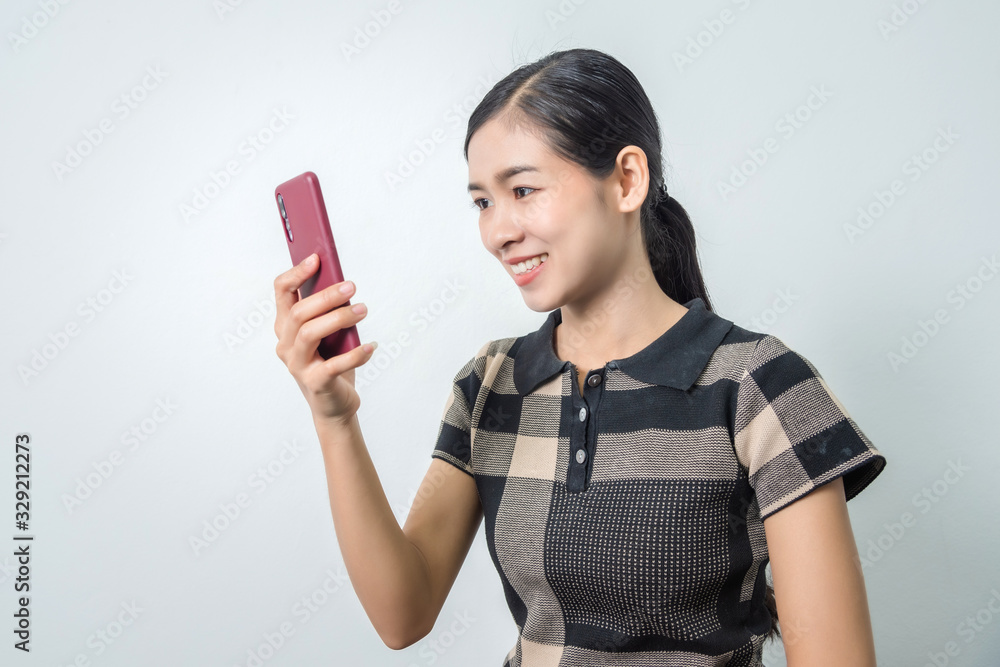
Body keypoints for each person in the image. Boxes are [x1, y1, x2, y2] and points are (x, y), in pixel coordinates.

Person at [272, 47, 887, 666]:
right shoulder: (491, 384)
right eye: (483, 201)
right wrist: (334, 419)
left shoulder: (759, 386)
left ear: (626, 180)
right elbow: (402, 615)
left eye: (524, 189)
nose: (499, 231)